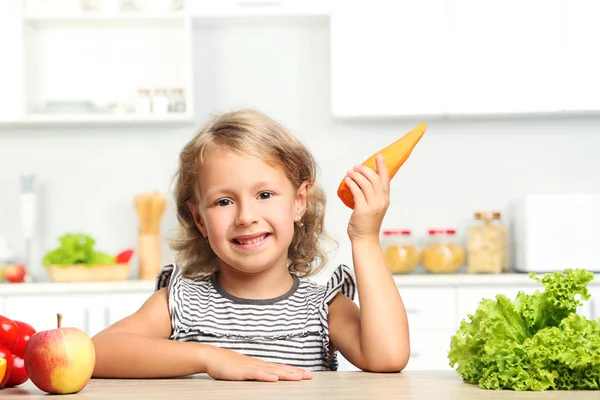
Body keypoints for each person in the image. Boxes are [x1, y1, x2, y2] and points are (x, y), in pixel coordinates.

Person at [91, 109, 410, 382]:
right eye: (224, 201)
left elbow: (389, 357)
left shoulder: (323, 307)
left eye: (265, 195)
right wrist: (211, 358)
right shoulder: (182, 304)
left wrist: (366, 238)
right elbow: (99, 352)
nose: (246, 217)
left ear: (299, 202)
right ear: (200, 220)